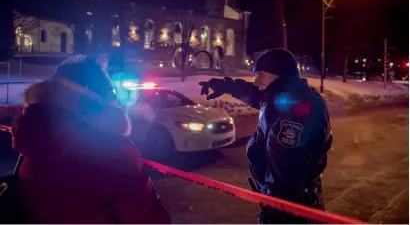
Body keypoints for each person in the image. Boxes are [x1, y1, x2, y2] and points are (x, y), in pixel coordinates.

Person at [11, 55, 171, 224]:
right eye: (111, 93)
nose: (117, 102)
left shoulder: (33, 144)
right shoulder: (112, 158)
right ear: (96, 100)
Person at [199, 48, 333, 223]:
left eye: (260, 74)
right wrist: (227, 86)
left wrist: (275, 212)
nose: (256, 80)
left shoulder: (292, 112)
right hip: (289, 205)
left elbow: (287, 172)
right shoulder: (285, 96)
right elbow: (256, 95)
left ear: (278, 74)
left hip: (290, 213)